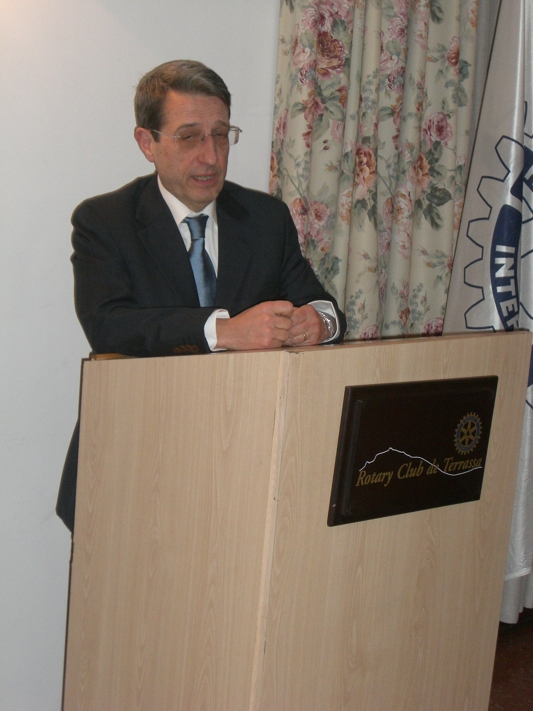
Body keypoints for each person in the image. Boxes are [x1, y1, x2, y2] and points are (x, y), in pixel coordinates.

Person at [57, 60, 346, 532]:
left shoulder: (265, 218)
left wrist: (317, 322)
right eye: (189, 137)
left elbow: (324, 307)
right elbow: (108, 325)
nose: (210, 156)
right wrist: (224, 332)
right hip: (133, 461)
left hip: (244, 460)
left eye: (220, 135)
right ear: (147, 142)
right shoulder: (105, 221)